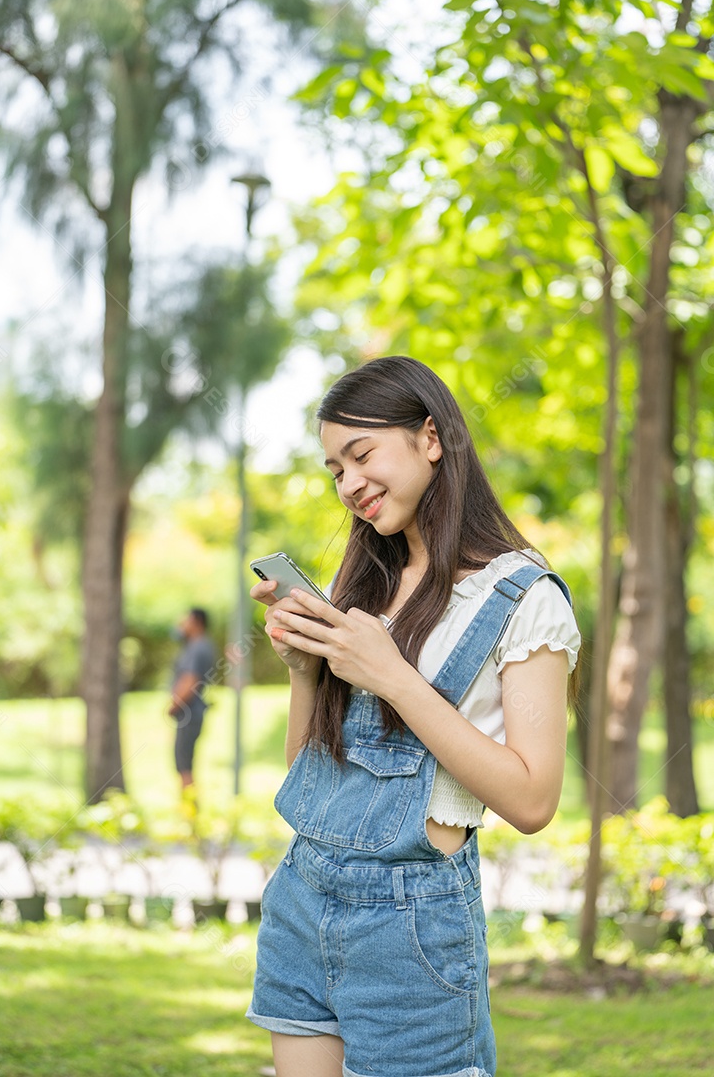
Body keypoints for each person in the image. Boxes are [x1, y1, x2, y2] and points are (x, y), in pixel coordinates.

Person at [246, 356, 581, 1077]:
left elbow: (533, 799)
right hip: (303, 894)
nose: (350, 484)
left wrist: (394, 678)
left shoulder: (525, 600)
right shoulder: (360, 581)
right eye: (335, 469)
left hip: (413, 924)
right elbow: (310, 783)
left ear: (431, 437)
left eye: (361, 455)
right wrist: (308, 670)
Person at [168, 607, 216, 803]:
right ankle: (190, 814)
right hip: (191, 712)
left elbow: (190, 679)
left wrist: (173, 706)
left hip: (189, 712)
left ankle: (190, 815)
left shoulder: (198, 647)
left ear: (196, 621)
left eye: (186, 620)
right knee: (184, 762)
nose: (182, 625)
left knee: (184, 764)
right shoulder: (199, 646)